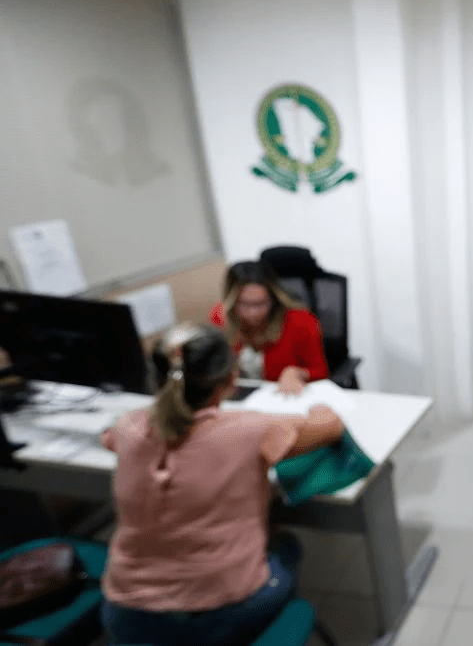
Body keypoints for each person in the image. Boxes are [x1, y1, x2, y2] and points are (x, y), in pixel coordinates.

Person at [99, 323, 345, 646]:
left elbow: (110, 440)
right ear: (231, 380)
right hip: (221, 614)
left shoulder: (128, 426)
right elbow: (330, 427)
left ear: (156, 379)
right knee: (287, 546)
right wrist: (319, 406)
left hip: (127, 615)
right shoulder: (249, 430)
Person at [210, 260, 328, 395]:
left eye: (260, 304)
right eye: (243, 304)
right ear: (231, 301)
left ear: (273, 299)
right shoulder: (221, 318)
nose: (252, 313)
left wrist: (299, 373)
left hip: (280, 397)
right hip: (240, 399)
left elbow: (321, 372)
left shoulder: (301, 321)